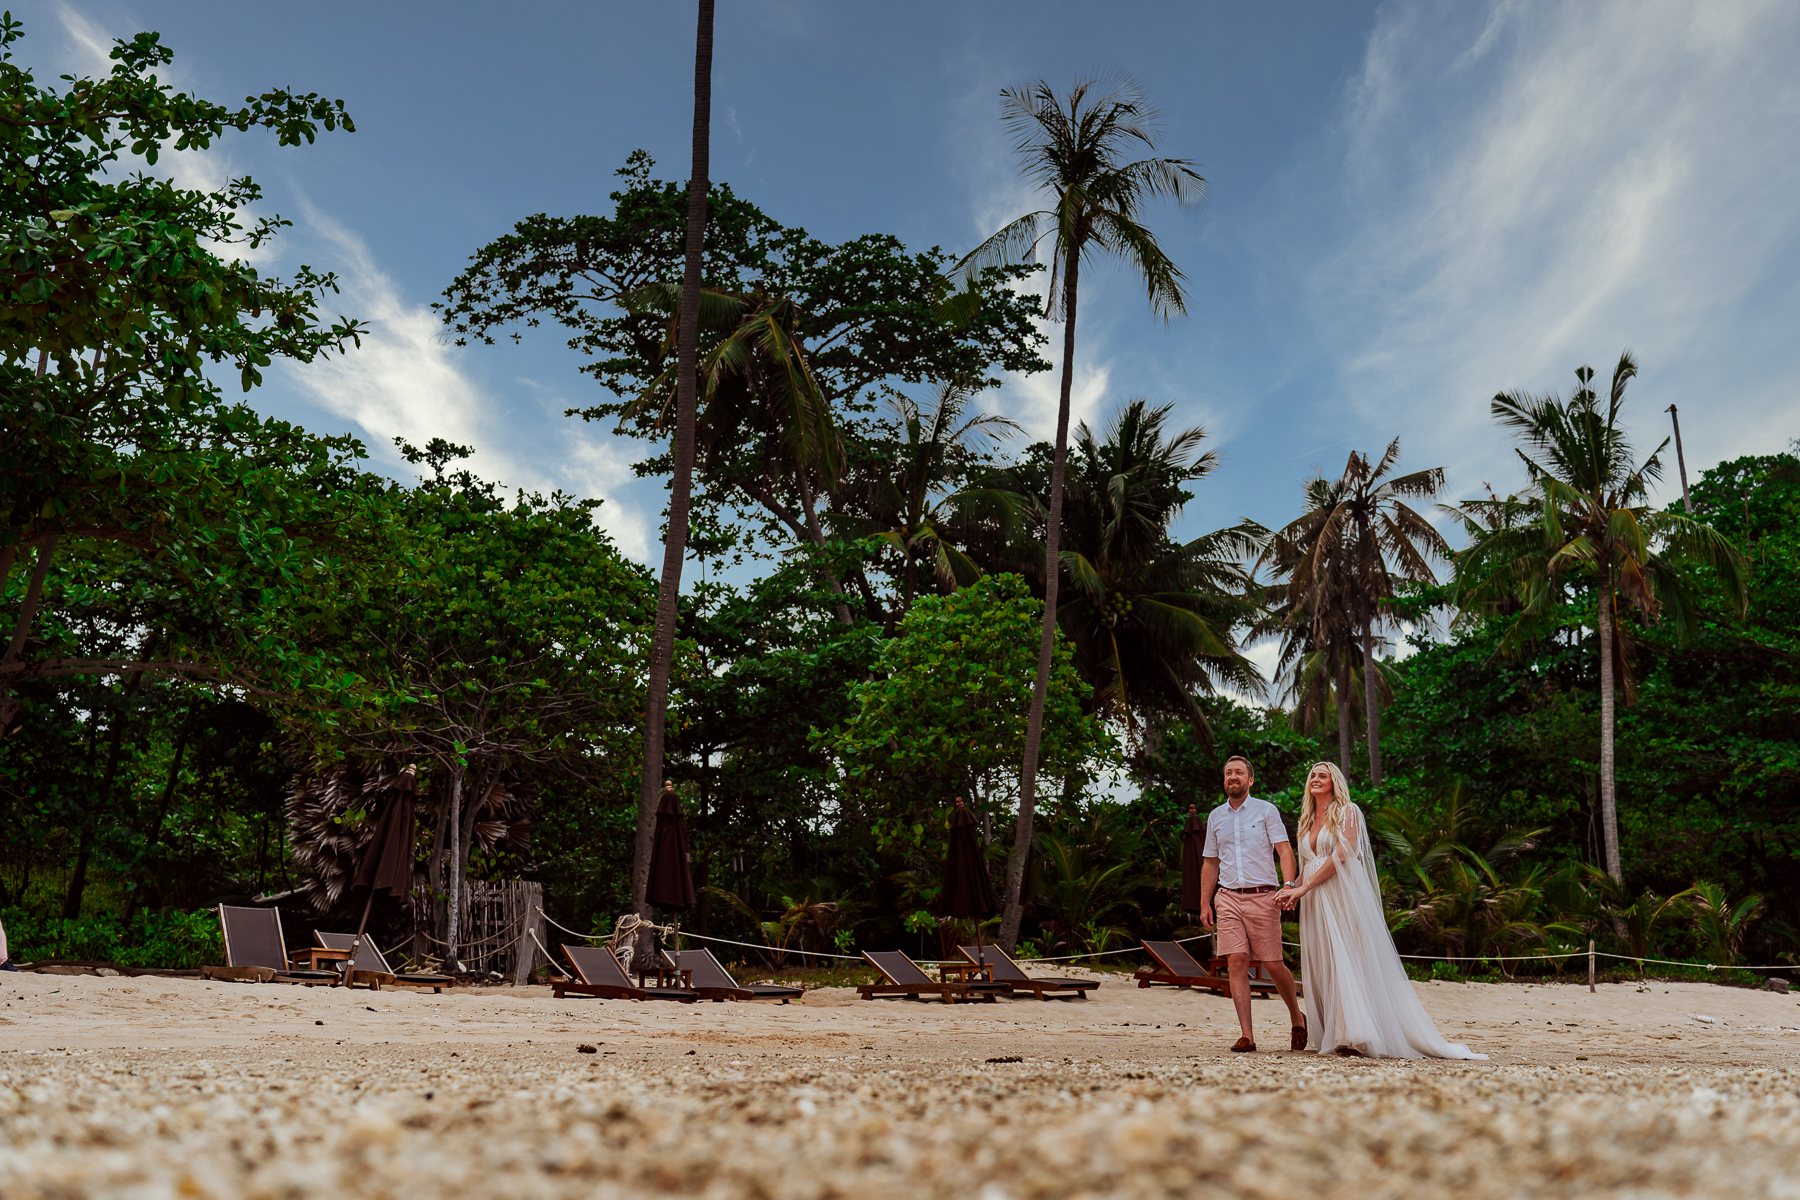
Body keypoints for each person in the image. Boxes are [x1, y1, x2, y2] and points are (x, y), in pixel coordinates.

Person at [1280, 761, 1486, 1060]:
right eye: (1312, 775)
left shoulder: (1348, 811)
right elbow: (1306, 866)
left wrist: (1304, 886)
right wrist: (1291, 891)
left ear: (1334, 782)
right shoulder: (1306, 819)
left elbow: (1342, 853)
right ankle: (1334, 1032)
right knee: (1323, 961)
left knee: (1345, 959)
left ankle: (1354, 1036)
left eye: (1322, 775)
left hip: (1339, 896)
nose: (1315, 779)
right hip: (1314, 900)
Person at [1199, 755, 1307, 1053]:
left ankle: (1297, 1018)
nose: (1233, 776)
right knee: (1236, 961)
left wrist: (1288, 886)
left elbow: (1285, 852)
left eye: (1239, 772)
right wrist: (1204, 903)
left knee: (1273, 964)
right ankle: (1247, 1035)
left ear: (1250, 780)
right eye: (1228, 772)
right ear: (1225, 780)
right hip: (1228, 897)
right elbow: (1210, 863)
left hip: (1264, 896)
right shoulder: (1215, 817)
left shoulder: (1266, 811)